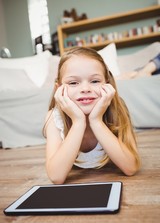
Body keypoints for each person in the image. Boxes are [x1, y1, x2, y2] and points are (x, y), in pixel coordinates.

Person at [43, 46, 140, 184]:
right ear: (59, 89)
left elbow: (131, 168)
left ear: (107, 84)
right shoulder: (54, 117)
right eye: (73, 83)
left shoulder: (117, 109)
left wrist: (96, 121)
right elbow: (56, 176)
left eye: (94, 81)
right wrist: (78, 122)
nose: (85, 89)